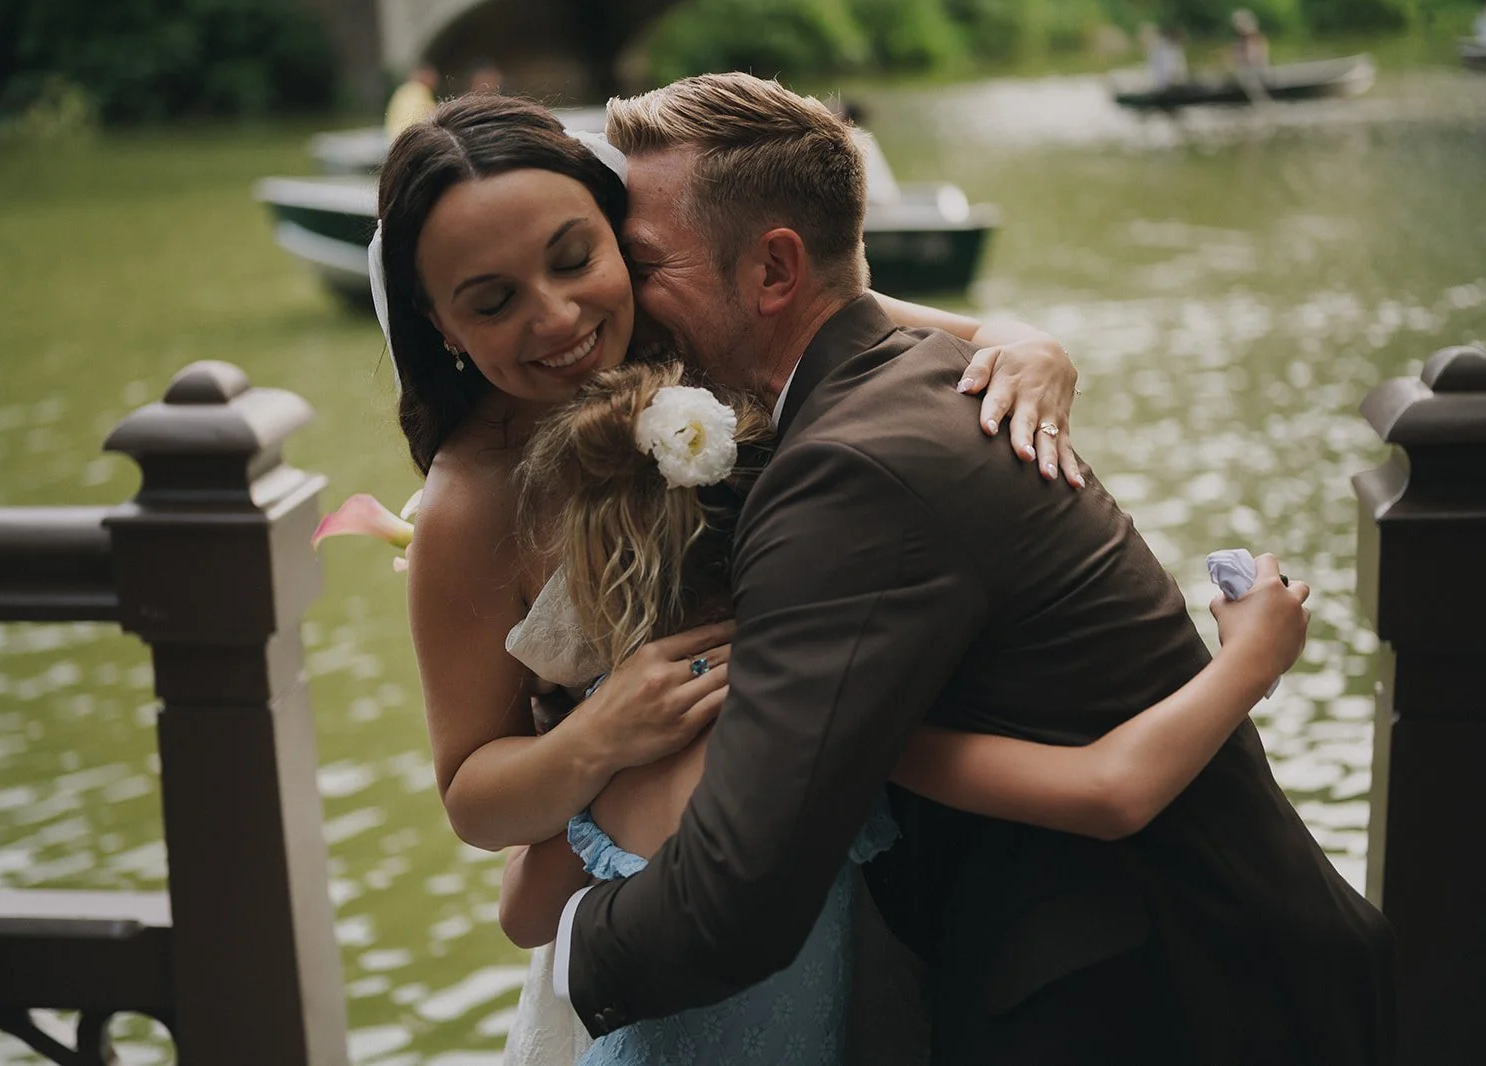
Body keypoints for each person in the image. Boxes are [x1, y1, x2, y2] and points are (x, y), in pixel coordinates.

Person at [550, 73, 1395, 1065]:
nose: (623, 298)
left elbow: (741, 891)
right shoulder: (912, 375)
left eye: (643, 262)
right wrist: (1019, 333)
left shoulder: (852, 471)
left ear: (774, 270)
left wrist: (564, 947)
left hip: (1178, 1002)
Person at [371, 93, 1082, 1066]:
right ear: (438, 321)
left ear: (618, 233)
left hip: (862, 831)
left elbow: (957, 336)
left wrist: (1036, 350)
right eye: (492, 301)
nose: (557, 316)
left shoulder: (697, 329)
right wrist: (597, 733)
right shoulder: (468, 504)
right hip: (671, 900)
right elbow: (471, 795)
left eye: (574, 257)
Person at [497, 359, 1314, 1064]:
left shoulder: (612, 730)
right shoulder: (824, 731)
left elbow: (524, 913)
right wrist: (1251, 659)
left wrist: (584, 743)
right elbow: (1111, 789)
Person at [383, 62, 438, 141]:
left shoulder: (402, 90)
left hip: (394, 138)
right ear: (425, 76)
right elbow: (432, 115)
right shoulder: (421, 91)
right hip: (412, 138)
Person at [1138, 22, 1188, 89]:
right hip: (1165, 84)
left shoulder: (1167, 49)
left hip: (1169, 84)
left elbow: (1173, 71)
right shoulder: (1161, 48)